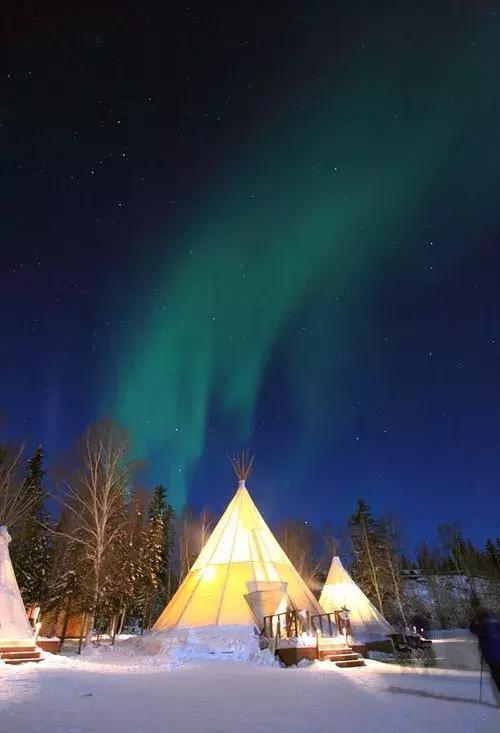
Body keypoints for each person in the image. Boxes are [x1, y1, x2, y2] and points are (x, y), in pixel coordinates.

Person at [470, 609, 500, 705]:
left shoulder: (481, 625)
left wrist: (474, 622)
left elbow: (472, 629)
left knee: (497, 677)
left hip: (491, 656)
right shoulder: (496, 622)